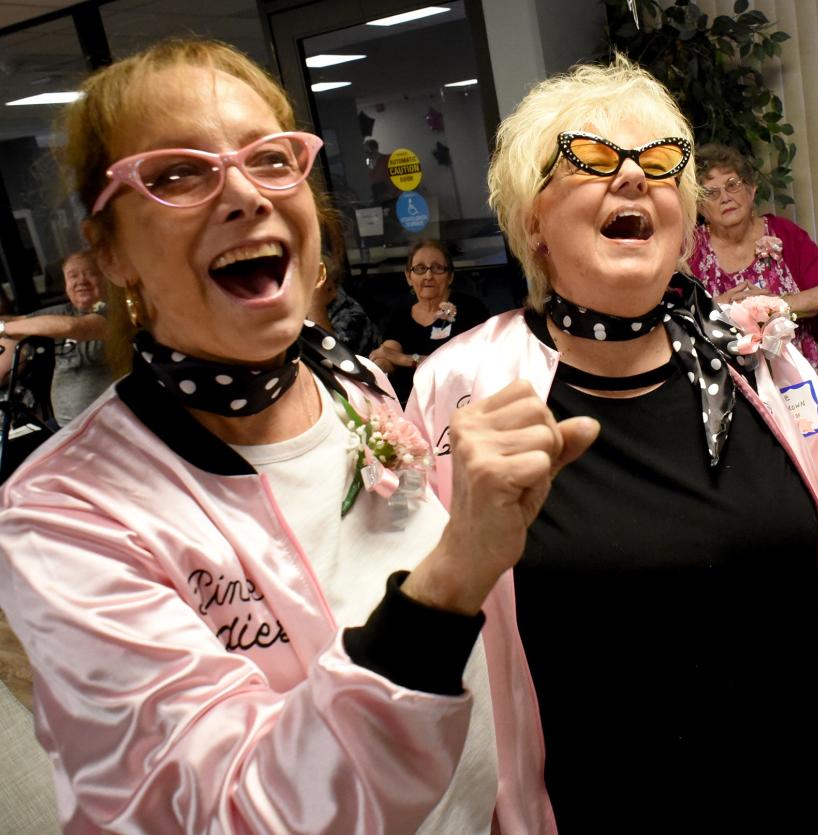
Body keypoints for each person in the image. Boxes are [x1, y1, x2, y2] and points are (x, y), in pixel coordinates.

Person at [0, 38, 598, 833]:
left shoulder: (354, 383)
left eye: (272, 159)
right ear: (109, 250)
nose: (244, 192)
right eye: (178, 173)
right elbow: (230, 814)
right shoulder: (64, 517)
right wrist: (454, 573)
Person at [405, 56, 818, 833]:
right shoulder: (462, 384)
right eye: (590, 160)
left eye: (657, 164)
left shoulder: (760, 363)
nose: (632, 180)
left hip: (790, 807)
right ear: (533, 222)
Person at [688, 142, 818, 373]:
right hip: (731, 382)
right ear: (700, 207)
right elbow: (676, 317)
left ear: (751, 189)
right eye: (711, 193)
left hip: (801, 375)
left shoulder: (783, 233)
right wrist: (718, 308)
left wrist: (776, 306)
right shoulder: (690, 249)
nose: (724, 197)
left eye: (732, 185)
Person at [369, 239, 489, 404]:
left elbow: (465, 364)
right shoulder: (400, 314)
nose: (428, 275)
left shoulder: (471, 309)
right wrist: (378, 365)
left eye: (437, 268)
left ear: (450, 276)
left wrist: (406, 359)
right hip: (409, 405)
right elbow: (388, 353)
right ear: (409, 277)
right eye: (420, 269)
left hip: (459, 402)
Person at [0, 251, 111, 424]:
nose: (81, 281)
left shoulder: (115, 311)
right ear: (66, 285)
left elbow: (72, 327)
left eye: (90, 273)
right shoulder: (65, 311)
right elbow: (19, 320)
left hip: (108, 424)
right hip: (66, 427)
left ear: (105, 278)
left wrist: (3, 328)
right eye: (73, 276)